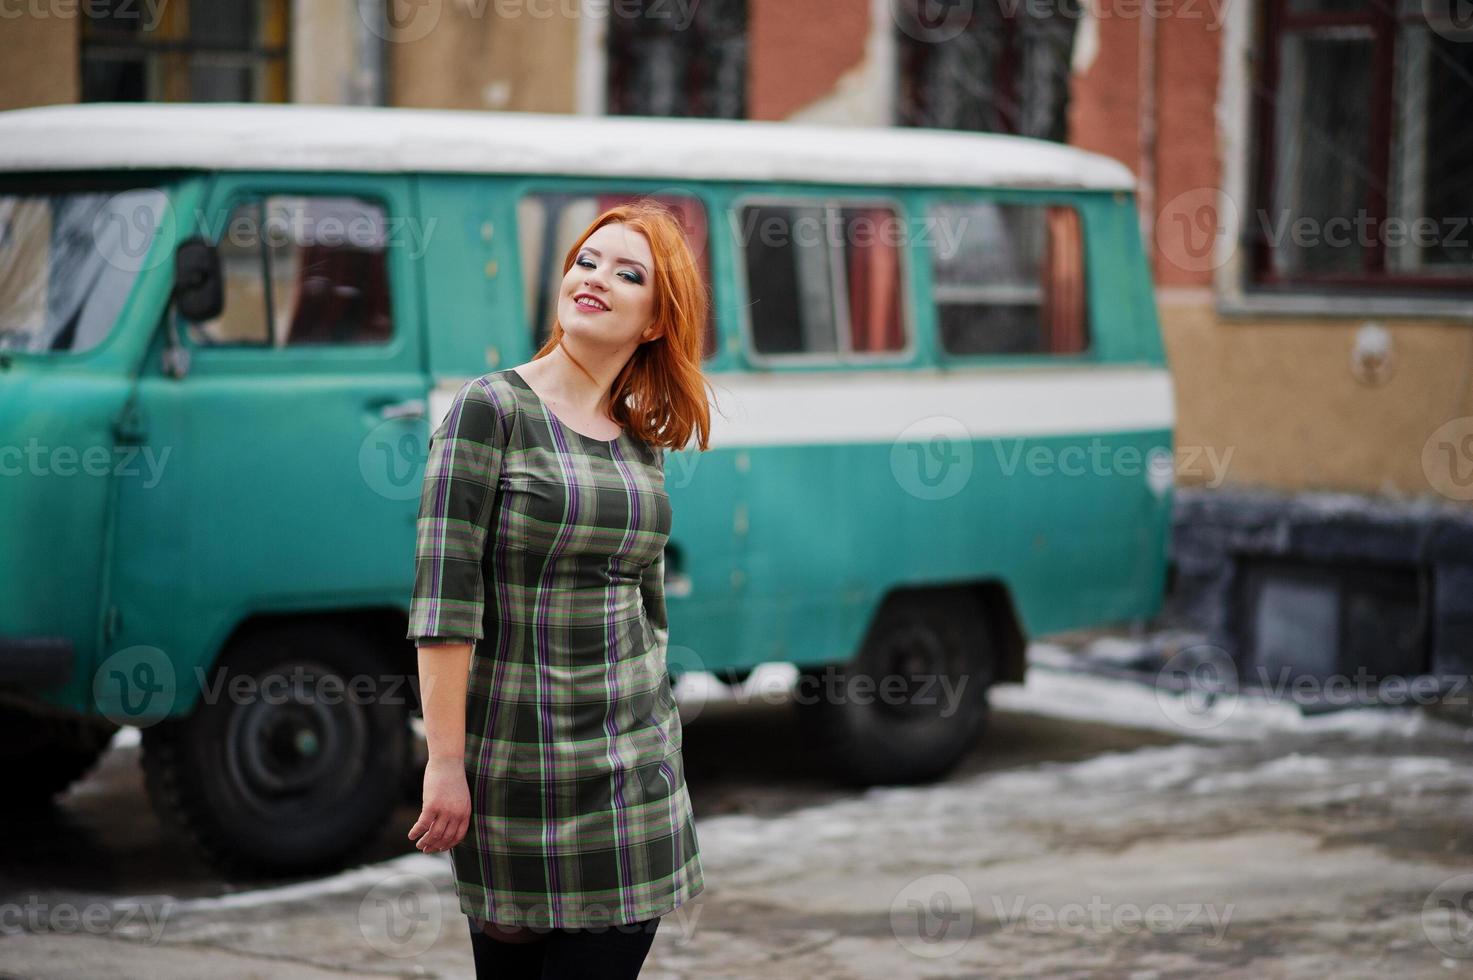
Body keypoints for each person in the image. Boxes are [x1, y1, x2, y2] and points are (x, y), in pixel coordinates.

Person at [404, 200, 714, 979]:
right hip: (518, 773)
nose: (596, 278)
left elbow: (649, 609)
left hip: (633, 776)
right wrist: (445, 762)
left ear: (653, 322)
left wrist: (657, 729)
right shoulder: (489, 410)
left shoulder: (641, 440)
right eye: (586, 261)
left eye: (627, 273)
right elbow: (445, 601)